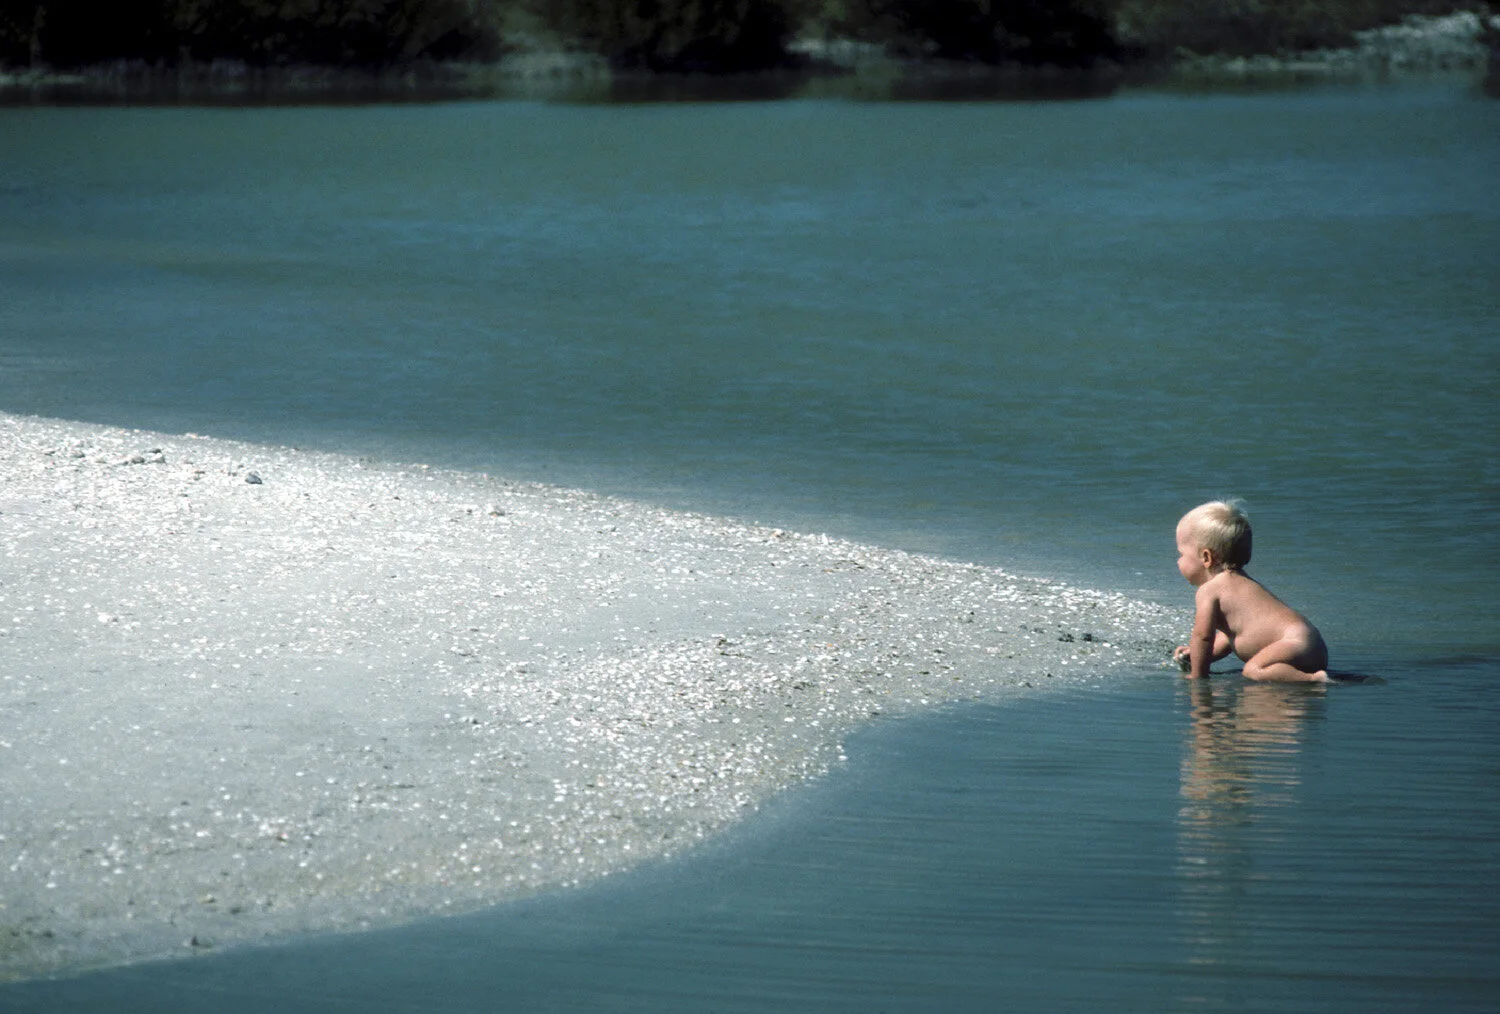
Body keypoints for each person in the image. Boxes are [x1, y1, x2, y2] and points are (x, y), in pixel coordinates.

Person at [1172, 500, 1330, 683]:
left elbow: (1203, 637)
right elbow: (1229, 637)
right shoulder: (1242, 582)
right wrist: (1195, 655)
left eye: (1181, 554)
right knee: (1257, 670)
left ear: (1206, 557)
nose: (1178, 561)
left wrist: (1198, 675)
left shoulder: (1209, 590)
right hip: (1309, 643)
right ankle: (1305, 675)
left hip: (1293, 644)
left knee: (1253, 669)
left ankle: (1313, 679)